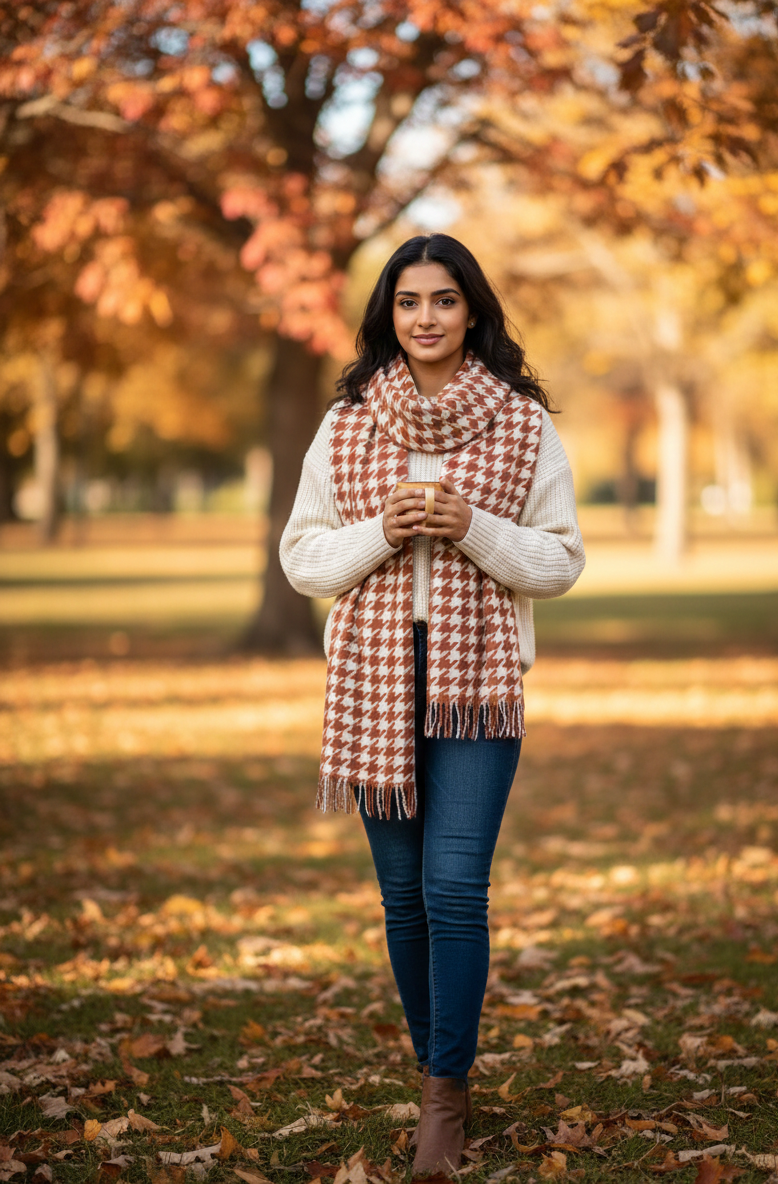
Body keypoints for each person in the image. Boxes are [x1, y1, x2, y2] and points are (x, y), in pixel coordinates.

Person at [280, 233, 585, 1174]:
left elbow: (563, 559)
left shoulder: (525, 426)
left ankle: (445, 1099)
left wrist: (473, 527)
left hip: (476, 690)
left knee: (454, 887)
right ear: (388, 314)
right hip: (374, 682)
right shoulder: (346, 425)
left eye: (444, 300)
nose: (426, 318)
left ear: (473, 311)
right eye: (409, 302)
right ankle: (435, 1070)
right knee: (403, 900)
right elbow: (301, 557)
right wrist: (380, 531)